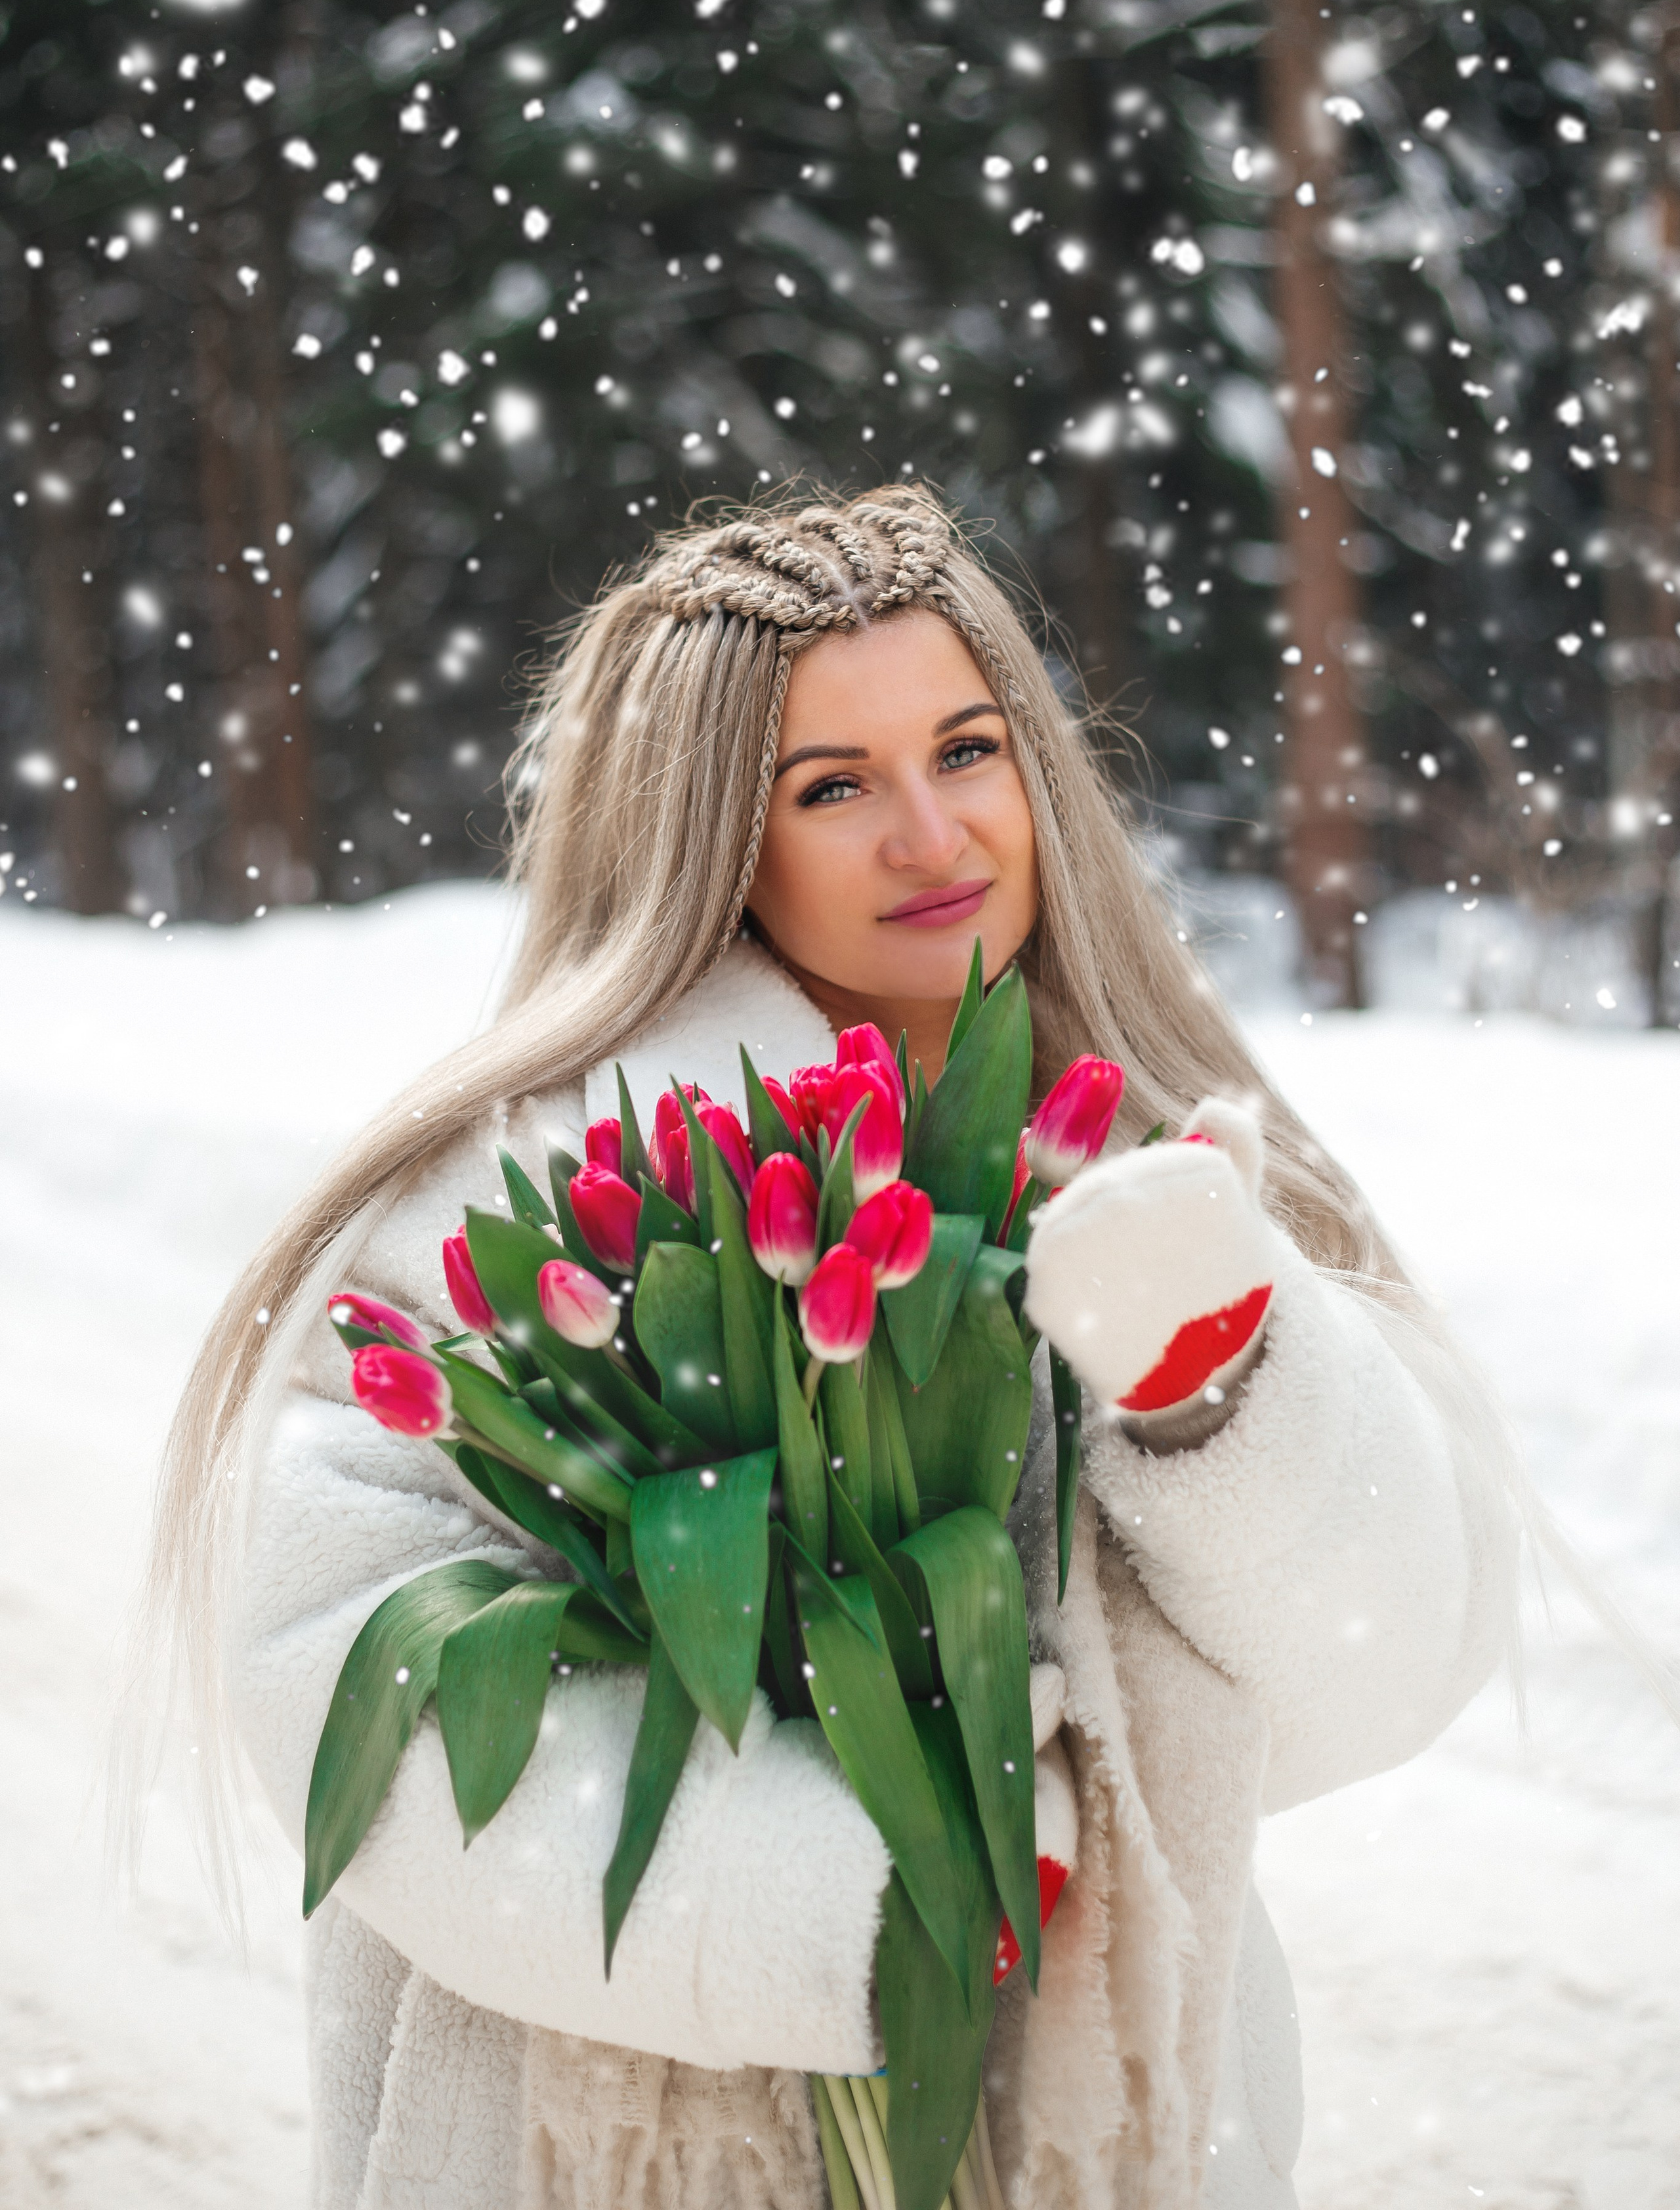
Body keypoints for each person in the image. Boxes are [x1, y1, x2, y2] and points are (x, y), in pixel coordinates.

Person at [140, 487, 1519, 2210]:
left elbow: (1375, 1670)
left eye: (968, 749)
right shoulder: (531, 1198)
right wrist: (876, 1902)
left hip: (1090, 2137)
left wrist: (1215, 1384)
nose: (937, 838)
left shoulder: (1160, 1170)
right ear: (707, 829)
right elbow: (357, 1675)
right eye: (835, 787)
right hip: (584, 2151)